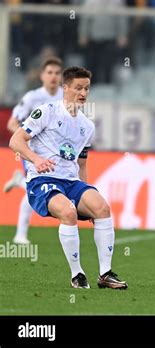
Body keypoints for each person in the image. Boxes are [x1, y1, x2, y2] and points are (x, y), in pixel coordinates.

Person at [9, 66, 128, 290]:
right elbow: (16, 140)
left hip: (71, 182)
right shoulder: (46, 111)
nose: (83, 93)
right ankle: (77, 274)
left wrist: (87, 193)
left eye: (86, 88)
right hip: (42, 180)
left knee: (102, 208)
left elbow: (82, 163)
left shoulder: (87, 126)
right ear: (66, 88)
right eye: (78, 88)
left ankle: (105, 274)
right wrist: (36, 159)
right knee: (68, 212)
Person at [3, 57, 63, 245]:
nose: (53, 76)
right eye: (49, 72)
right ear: (42, 75)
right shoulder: (32, 97)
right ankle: (20, 235)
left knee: (40, 186)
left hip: (56, 152)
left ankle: (19, 181)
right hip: (33, 151)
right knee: (35, 186)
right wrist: (30, 136)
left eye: (57, 73)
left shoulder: (65, 96)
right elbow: (12, 123)